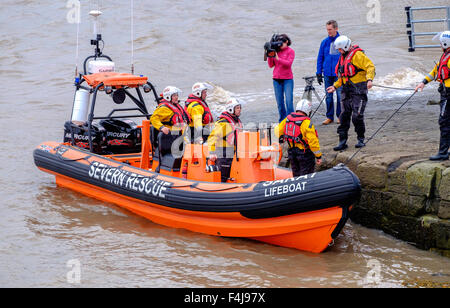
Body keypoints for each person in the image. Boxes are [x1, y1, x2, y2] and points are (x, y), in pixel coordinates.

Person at [327, 35, 375, 151]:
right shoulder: (342, 57)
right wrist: (334, 86)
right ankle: (342, 141)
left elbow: (370, 67)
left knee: (357, 116)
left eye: (340, 49)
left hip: (359, 90)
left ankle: (360, 139)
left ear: (345, 46)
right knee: (344, 116)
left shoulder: (358, 55)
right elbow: (342, 77)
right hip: (346, 90)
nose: (339, 51)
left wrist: (369, 79)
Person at [415, 31, 450, 161]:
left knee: (444, 122)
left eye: (441, 43)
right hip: (446, 93)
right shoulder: (445, 56)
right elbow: (435, 71)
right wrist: (423, 83)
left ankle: (443, 153)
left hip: (448, 94)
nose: (440, 45)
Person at [275, 99, 322, 176]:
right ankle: (306, 187)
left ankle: (297, 184)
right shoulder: (307, 123)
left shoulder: (288, 118)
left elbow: (277, 130)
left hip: (291, 152)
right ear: (308, 111)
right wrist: (318, 156)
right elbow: (313, 142)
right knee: (306, 174)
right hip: (304, 153)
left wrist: (282, 137)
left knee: (296, 172)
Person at [207, 98, 243, 182]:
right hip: (223, 154)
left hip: (233, 152)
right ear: (231, 109)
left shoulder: (236, 120)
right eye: (237, 108)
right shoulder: (224, 123)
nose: (239, 110)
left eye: (240, 107)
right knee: (223, 176)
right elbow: (212, 137)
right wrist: (212, 153)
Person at [150, 86, 191, 154]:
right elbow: (153, 118)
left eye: (177, 95)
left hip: (180, 135)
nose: (177, 97)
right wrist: (162, 127)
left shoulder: (176, 106)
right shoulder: (164, 108)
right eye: (174, 96)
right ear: (168, 96)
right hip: (171, 137)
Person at [316, 20, 342, 125]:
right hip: (327, 73)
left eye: (330, 29)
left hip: (338, 74)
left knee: (340, 95)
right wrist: (318, 72)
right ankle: (329, 117)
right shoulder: (324, 42)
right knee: (328, 96)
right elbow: (320, 57)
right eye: (327, 29)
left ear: (336, 29)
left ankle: (340, 116)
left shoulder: (341, 41)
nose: (329, 31)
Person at [267, 34, 295, 122]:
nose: (280, 45)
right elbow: (271, 65)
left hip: (287, 79)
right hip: (276, 79)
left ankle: (291, 120)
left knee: (289, 101)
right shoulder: (276, 51)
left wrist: (278, 58)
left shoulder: (290, 51)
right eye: (278, 43)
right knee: (280, 103)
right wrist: (269, 54)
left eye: (281, 43)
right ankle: (282, 121)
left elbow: (288, 64)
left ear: (286, 42)